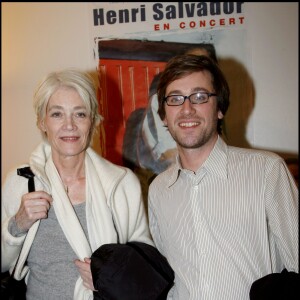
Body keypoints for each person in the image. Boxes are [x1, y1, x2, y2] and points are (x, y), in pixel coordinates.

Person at [148, 54, 299, 299]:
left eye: (199, 96)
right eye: (175, 99)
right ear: (164, 114)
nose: (187, 109)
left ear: (219, 108)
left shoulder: (267, 172)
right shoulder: (158, 190)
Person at [1, 69, 153, 299]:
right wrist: (17, 225)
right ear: (42, 122)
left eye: (80, 114)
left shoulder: (122, 184)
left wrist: (110, 277)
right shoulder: (20, 182)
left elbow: (144, 266)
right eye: (57, 114)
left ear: (92, 121)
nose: (69, 125)